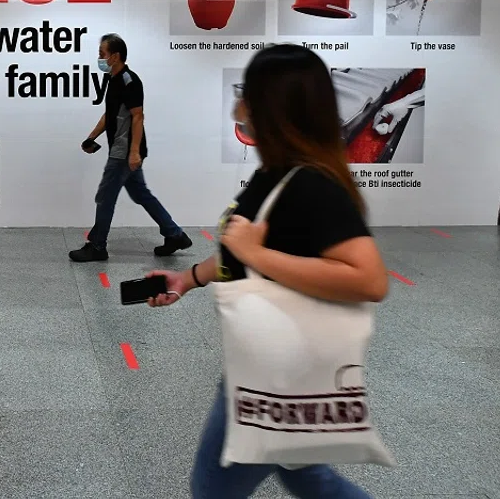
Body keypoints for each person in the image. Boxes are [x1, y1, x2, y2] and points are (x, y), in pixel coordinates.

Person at [147, 44, 389, 498]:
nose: (237, 102)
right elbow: (244, 255)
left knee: (213, 490)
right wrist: (189, 279)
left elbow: (369, 280)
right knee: (308, 477)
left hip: (276, 372)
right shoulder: (273, 175)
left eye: (247, 91)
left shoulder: (313, 185)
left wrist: (258, 256)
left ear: (271, 107)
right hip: (267, 361)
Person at [69, 33, 192, 262]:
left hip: (124, 151)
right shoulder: (113, 80)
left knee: (105, 196)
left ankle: (97, 246)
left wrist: (134, 151)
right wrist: (91, 137)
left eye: (102, 54)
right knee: (141, 194)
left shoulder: (130, 81)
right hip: (122, 148)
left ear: (115, 56)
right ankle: (175, 234)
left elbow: (138, 117)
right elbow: (110, 115)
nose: (99, 58)